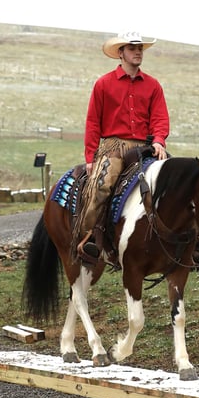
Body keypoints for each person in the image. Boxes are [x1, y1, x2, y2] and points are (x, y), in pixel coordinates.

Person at [74, 32, 170, 265]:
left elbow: (160, 118)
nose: (138, 52)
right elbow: (93, 122)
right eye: (132, 48)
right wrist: (90, 157)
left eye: (140, 48)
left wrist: (159, 140)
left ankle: (188, 239)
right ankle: (90, 237)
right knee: (101, 185)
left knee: (177, 180)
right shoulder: (103, 84)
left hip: (147, 147)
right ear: (121, 53)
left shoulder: (153, 85)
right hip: (114, 146)